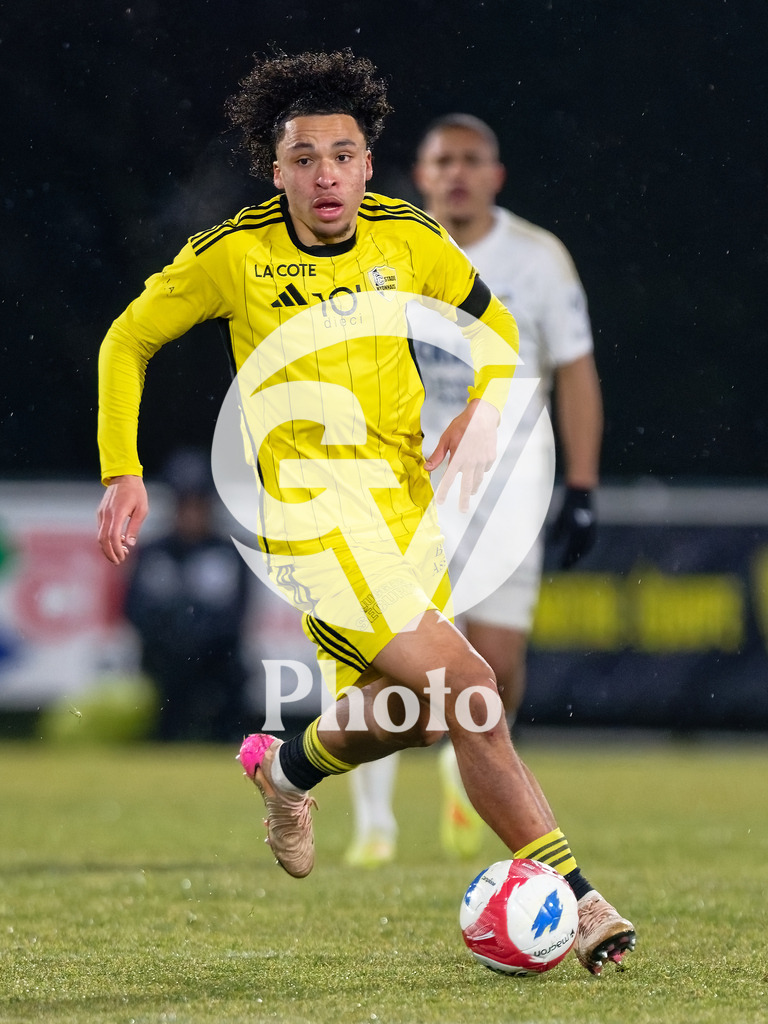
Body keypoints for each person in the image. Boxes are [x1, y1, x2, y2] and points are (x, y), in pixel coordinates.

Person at [96, 49, 634, 976]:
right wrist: (123, 467)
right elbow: (128, 339)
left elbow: (497, 325)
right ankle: (580, 901)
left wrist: (483, 406)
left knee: (423, 715)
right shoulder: (235, 254)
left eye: (341, 155)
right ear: (278, 171)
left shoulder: (408, 238)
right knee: (471, 691)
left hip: (405, 516)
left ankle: (288, 768)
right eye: (303, 159)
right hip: (312, 524)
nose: (325, 176)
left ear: (367, 165)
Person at [345, 113, 604, 867]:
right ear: (420, 176)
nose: (456, 173)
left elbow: (576, 369)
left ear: (496, 175)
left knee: (495, 665)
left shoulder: (538, 258)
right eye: (441, 161)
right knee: (404, 664)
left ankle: (469, 779)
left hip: (510, 485)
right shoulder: (387, 247)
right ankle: (375, 825)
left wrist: (582, 485)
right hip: (409, 480)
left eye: (471, 160)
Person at [123, 447, 252, 742]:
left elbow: (238, 616)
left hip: (215, 658)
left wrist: (199, 638)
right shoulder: (154, 554)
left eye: (199, 504)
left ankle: (226, 740)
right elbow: (133, 608)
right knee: (159, 685)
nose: (192, 514)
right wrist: (173, 635)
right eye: (185, 505)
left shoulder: (227, 553)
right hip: (164, 660)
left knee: (232, 676)